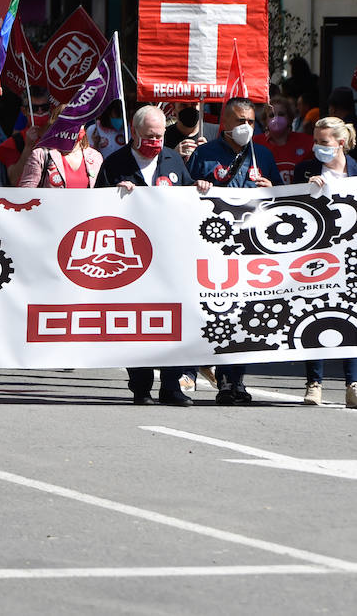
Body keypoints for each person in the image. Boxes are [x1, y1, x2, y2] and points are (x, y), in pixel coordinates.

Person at [96, 105, 210, 405]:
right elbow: (95, 207)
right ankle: (141, 386)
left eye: (159, 136)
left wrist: (198, 186)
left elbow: (187, 198)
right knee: (137, 321)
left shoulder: (172, 159)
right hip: (131, 258)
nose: (155, 142)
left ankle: (171, 386)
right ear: (134, 132)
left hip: (171, 255)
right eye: (149, 136)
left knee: (173, 319)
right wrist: (114, 195)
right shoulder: (115, 163)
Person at [187, 97, 280, 405]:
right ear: (224, 123)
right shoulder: (204, 155)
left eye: (251, 121)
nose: (246, 127)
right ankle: (197, 367)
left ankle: (234, 380)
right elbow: (183, 196)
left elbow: (282, 198)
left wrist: (271, 189)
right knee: (215, 313)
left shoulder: (262, 155)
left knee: (244, 315)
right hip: (212, 248)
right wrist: (196, 188)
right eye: (240, 121)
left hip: (250, 249)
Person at [295, 116, 357, 409]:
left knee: (351, 317)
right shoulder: (305, 170)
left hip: (351, 255)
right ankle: (314, 383)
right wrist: (303, 190)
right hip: (316, 256)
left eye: (323, 142)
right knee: (315, 314)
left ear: (340, 143)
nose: (316, 147)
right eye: (315, 141)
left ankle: (353, 384)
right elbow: (287, 208)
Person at [17, 107, 103, 189]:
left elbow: (103, 191)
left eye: (78, 122)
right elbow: (26, 192)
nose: (74, 128)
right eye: (67, 123)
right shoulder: (41, 155)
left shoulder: (95, 157)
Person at [0, 86, 56, 184]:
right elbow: (14, 179)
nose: (40, 112)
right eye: (34, 108)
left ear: (50, 109)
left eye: (44, 107)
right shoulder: (14, 142)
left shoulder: (60, 137)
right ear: (24, 111)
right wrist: (28, 147)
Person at [257, 96, 311, 184]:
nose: (276, 119)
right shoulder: (256, 143)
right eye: (271, 115)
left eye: (281, 114)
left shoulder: (307, 142)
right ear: (265, 120)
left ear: (290, 118)